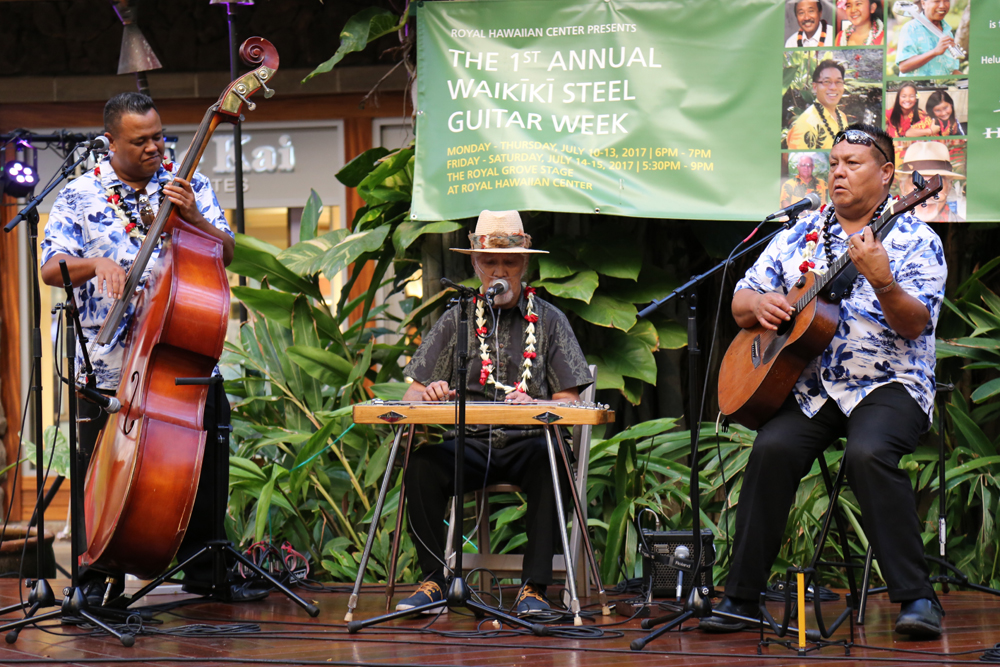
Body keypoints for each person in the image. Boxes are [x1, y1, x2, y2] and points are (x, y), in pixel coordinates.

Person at [703, 124, 947, 638]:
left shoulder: (915, 238)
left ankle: (917, 599)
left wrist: (881, 279)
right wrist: (763, 304)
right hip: (813, 389)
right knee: (771, 448)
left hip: (889, 383)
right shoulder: (800, 232)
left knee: (867, 454)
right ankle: (740, 598)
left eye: (852, 163)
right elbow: (740, 299)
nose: (838, 171)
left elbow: (914, 323)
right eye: (834, 162)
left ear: (886, 175)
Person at [39, 92, 262, 605]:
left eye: (159, 135)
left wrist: (193, 218)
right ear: (110, 142)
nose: (155, 147)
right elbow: (50, 268)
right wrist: (96, 265)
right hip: (107, 364)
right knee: (98, 470)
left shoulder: (188, 184)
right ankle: (96, 579)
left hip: (181, 350)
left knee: (208, 449)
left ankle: (208, 571)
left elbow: (224, 249)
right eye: (140, 140)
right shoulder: (80, 194)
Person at [395, 210, 593, 616]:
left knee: (551, 462)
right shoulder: (458, 319)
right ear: (475, 264)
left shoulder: (551, 320)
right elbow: (412, 392)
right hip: (468, 446)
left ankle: (534, 589)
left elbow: (572, 402)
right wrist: (429, 392)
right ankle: (435, 579)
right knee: (421, 466)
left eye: (510, 263)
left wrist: (539, 405)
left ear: (524, 264)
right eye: (490, 263)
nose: (499, 271)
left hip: (529, 446)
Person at [786, 60, 849, 150]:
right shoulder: (805, 125)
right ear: (815, 87)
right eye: (826, 82)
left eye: (838, 82)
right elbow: (800, 163)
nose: (833, 87)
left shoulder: (842, 117)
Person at [897, 140, 965, 222]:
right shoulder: (888, 230)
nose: (927, 194)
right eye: (917, 183)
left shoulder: (962, 226)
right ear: (902, 187)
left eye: (935, 184)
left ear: (949, 186)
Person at [896, 0, 963, 76]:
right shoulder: (911, 28)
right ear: (923, 4)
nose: (942, 6)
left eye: (946, 1)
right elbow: (903, 67)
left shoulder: (947, 32)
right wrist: (935, 52)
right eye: (936, 1)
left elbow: (950, 71)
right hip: (918, 87)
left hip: (942, 87)